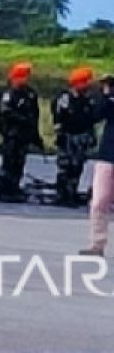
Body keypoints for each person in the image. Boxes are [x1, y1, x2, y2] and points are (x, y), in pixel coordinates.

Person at [52, 67, 98, 208]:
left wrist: (91, 136)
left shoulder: (88, 99)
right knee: (66, 167)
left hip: (82, 137)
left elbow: (91, 119)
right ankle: (63, 194)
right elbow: (59, 118)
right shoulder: (65, 98)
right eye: (85, 82)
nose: (88, 85)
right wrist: (60, 135)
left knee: (77, 167)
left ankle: (72, 192)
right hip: (68, 137)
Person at [0, 62, 41, 203]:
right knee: (9, 161)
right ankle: (5, 190)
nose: (25, 79)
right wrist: (22, 119)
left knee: (19, 162)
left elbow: (35, 114)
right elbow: (5, 112)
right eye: (22, 76)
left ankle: (14, 187)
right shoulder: (9, 94)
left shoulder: (30, 94)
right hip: (11, 134)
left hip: (24, 135)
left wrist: (35, 135)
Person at [79, 75, 114, 257]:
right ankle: (97, 243)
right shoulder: (110, 100)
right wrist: (106, 94)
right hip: (107, 155)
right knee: (99, 201)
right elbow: (97, 115)